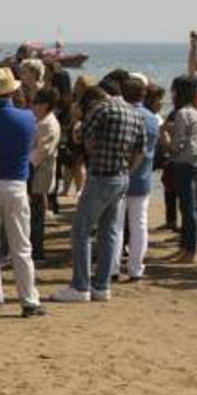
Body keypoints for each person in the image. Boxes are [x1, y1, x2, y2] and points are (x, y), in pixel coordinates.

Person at [49, 84, 146, 303]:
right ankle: (102, 285)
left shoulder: (99, 110)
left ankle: (80, 286)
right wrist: (127, 170)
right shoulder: (133, 112)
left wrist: (78, 121)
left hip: (100, 175)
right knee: (109, 231)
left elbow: (84, 140)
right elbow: (141, 150)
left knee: (81, 232)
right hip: (121, 176)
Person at [0, 68, 44, 318]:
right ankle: (29, 298)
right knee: (21, 245)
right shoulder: (27, 118)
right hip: (16, 184)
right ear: (13, 91)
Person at [117, 76, 162, 281]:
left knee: (115, 224)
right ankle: (136, 267)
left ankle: (112, 267)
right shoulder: (152, 118)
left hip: (118, 174)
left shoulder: (121, 115)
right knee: (139, 225)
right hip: (142, 177)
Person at [161, 76, 197, 265]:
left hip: (185, 162)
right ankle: (185, 248)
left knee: (188, 209)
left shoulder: (182, 112)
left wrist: (163, 137)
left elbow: (177, 145)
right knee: (189, 207)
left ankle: (190, 250)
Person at [28, 87, 62, 262]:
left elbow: (42, 152)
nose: (33, 105)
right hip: (37, 170)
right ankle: (35, 248)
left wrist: (27, 165)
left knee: (37, 212)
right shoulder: (41, 120)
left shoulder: (49, 124)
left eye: (36, 103)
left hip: (40, 172)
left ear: (46, 105)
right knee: (34, 211)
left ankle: (37, 250)